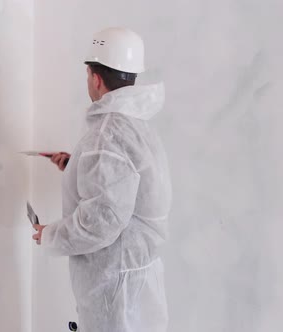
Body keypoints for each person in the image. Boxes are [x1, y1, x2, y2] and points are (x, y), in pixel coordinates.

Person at [32, 27, 172, 332]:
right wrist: (76, 165)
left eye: (87, 75)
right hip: (134, 276)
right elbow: (125, 184)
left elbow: (102, 219)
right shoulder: (136, 126)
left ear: (95, 78)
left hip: (114, 285)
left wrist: (50, 234)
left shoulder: (108, 134)